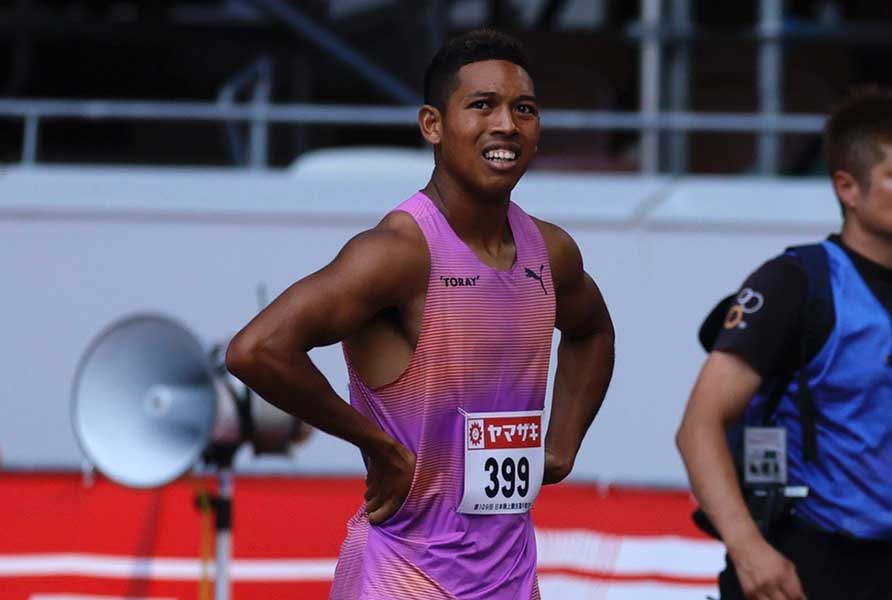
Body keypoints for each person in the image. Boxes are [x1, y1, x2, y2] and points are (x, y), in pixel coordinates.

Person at [226, 29, 615, 600]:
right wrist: (376, 444)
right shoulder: (399, 253)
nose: (507, 124)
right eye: (482, 105)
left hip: (510, 575)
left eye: (524, 109)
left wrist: (562, 444)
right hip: (405, 573)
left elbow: (593, 331)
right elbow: (256, 350)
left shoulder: (550, 252)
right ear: (432, 124)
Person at [677, 88, 892, 600]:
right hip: (805, 561)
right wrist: (748, 549)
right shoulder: (795, 283)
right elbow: (698, 427)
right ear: (848, 188)